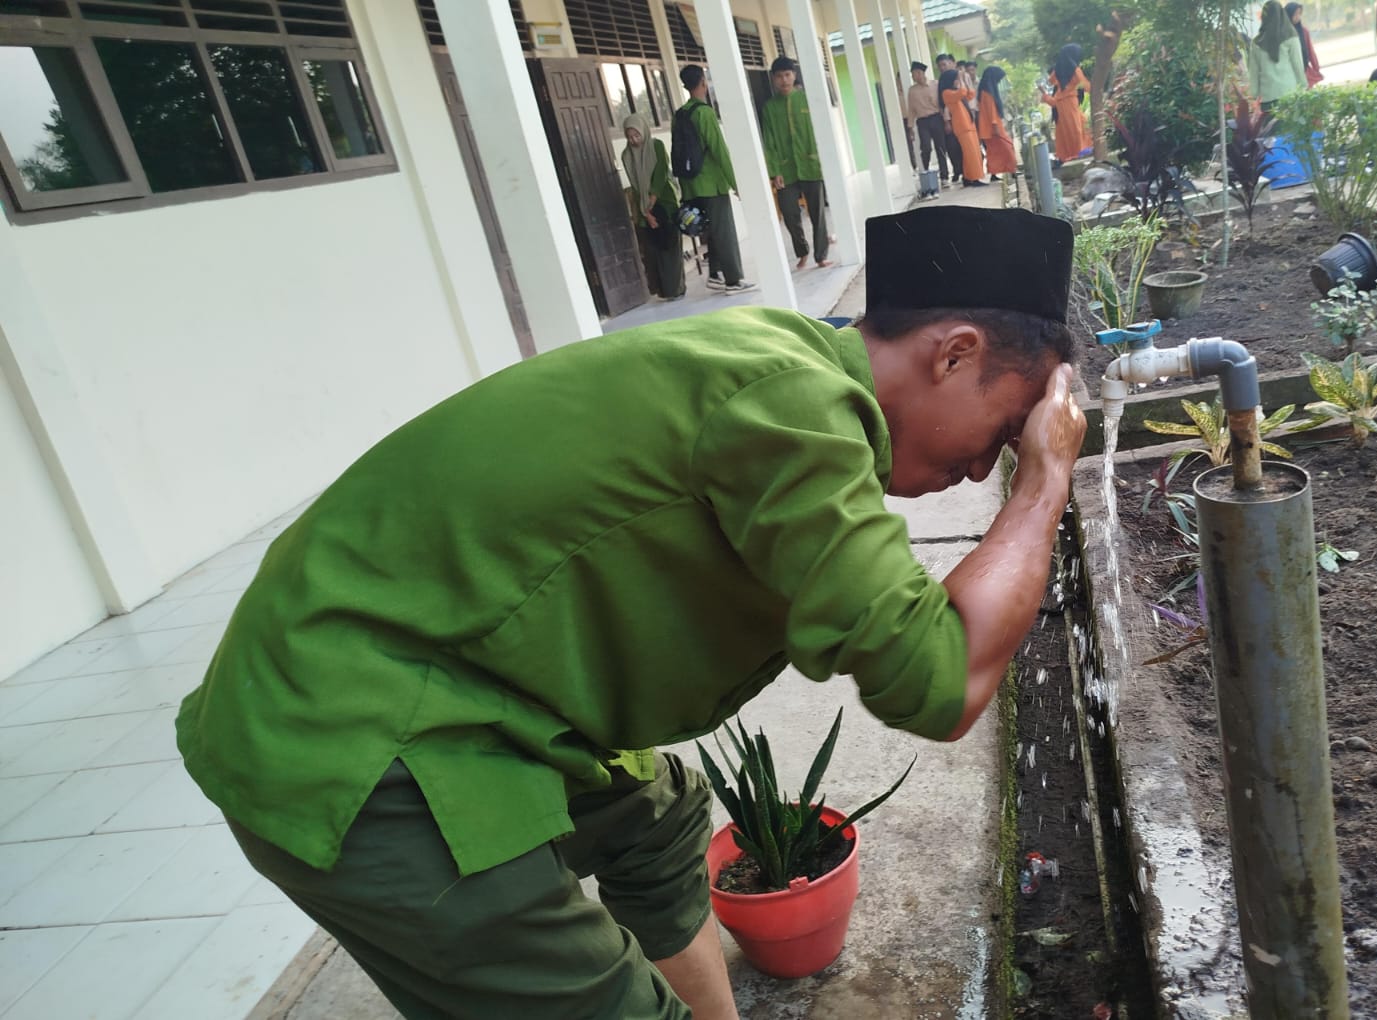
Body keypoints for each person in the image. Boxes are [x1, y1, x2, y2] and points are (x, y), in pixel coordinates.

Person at [175, 203, 1088, 1020]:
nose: (983, 470)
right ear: (955, 351)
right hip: (353, 737)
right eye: (1004, 432)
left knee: (657, 823)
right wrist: (1042, 486)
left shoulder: (784, 363)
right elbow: (942, 681)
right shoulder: (794, 407)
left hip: (450, 685)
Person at [676, 65, 753, 294]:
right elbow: (719, 150)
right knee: (724, 231)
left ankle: (715, 275)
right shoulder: (704, 112)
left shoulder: (679, 114)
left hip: (691, 185)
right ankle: (734, 281)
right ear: (702, 83)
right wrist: (735, 183)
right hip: (712, 184)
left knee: (712, 230)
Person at [760, 57, 830, 270]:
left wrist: (822, 159)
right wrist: (774, 171)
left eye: (788, 75)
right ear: (773, 79)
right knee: (790, 215)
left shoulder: (807, 100)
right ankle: (802, 251)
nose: (784, 80)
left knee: (817, 213)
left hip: (810, 165)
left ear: (794, 75)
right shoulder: (770, 108)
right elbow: (768, 142)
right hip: (785, 170)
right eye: (779, 76)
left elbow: (820, 131)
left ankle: (821, 256)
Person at [621, 112, 685, 302]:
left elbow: (661, 172)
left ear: (644, 131)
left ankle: (676, 289)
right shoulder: (627, 155)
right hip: (644, 209)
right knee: (655, 251)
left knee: (671, 247)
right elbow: (635, 184)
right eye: (630, 137)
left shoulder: (656, 146)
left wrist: (652, 200)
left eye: (637, 135)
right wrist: (645, 212)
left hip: (665, 203)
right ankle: (664, 290)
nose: (634, 140)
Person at [1249, 2, 1309, 112]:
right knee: (1291, 128)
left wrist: (1253, 95)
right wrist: (1304, 86)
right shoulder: (1291, 36)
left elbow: (1254, 71)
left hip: (1268, 98)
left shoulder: (1256, 43)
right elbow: (1297, 65)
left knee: (1273, 128)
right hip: (1290, 95)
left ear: (1264, 17)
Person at [1039, 44, 1090, 164]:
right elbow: (1086, 86)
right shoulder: (1075, 70)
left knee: (1065, 130)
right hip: (1071, 101)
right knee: (1076, 128)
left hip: (1060, 104)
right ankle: (1078, 154)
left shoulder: (1057, 70)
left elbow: (1050, 82)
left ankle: (1068, 154)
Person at [904, 61, 951, 184]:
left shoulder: (935, 84)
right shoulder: (912, 91)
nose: (913, 77)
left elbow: (942, 103)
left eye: (914, 74)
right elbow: (911, 109)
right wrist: (910, 128)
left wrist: (946, 120)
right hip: (922, 121)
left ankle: (944, 176)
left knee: (940, 147)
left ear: (920, 73)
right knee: (926, 148)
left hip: (936, 118)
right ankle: (925, 173)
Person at [940, 68, 985, 186]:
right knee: (971, 154)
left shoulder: (956, 92)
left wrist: (965, 80)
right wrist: (960, 80)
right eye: (955, 79)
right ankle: (974, 178)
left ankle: (968, 177)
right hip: (962, 126)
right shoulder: (947, 93)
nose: (957, 81)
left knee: (973, 152)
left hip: (969, 124)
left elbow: (971, 94)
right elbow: (962, 92)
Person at [977, 66, 1019, 180]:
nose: (999, 81)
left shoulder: (983, 91)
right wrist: (995, 125)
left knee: (993, 152)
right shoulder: (988, 93)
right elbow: (991, 111)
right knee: (1008, 146)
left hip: (987, 127)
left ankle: (994, 173)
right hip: (993, 127)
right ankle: (1012, 170)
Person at [1286, 3, 1324, 86]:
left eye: (1299, 14)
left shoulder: (1304, 31)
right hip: (1289, 74)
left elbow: (1310, 52)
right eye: (1295, 14)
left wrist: (1316, 68)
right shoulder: (1283, 34)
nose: (1298, 17)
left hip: (1305, 71)